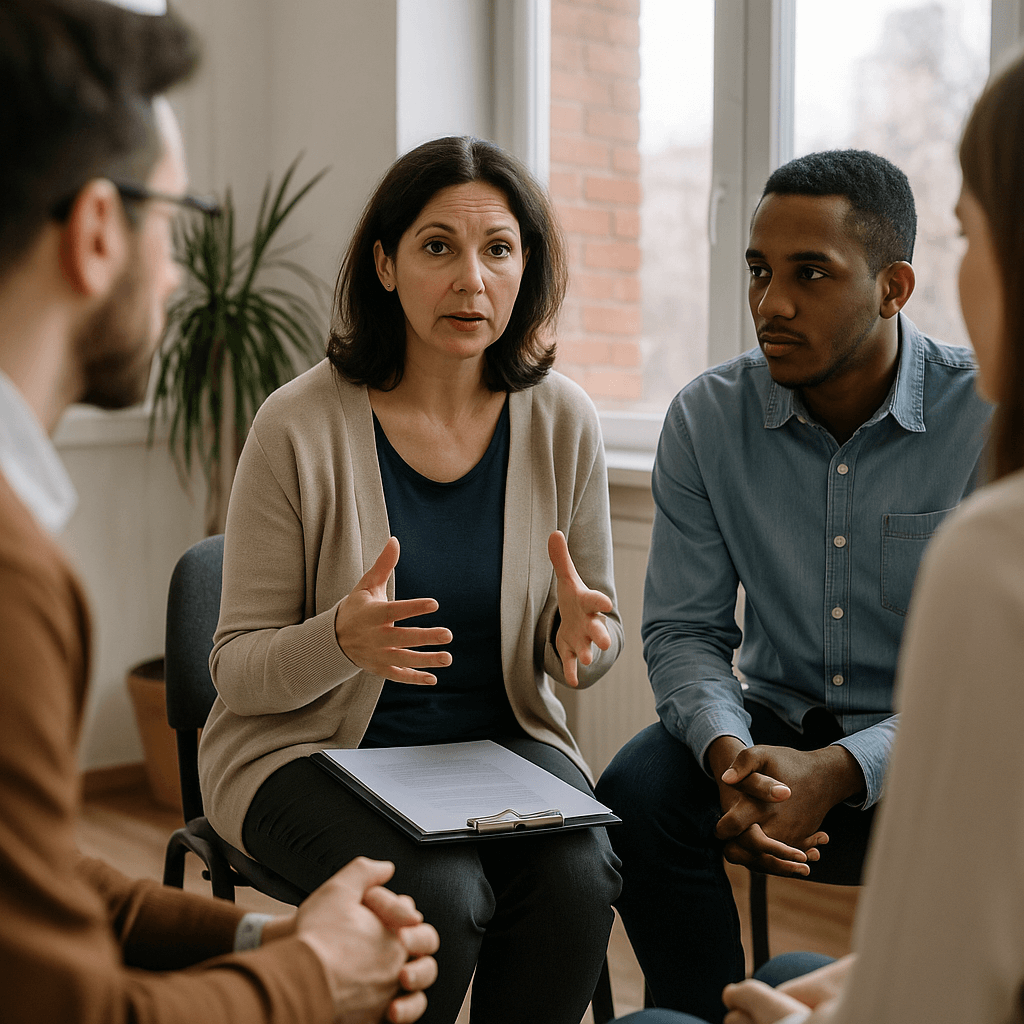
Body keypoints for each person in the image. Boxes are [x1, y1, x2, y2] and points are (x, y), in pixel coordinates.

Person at [0, 1, 439, 1021]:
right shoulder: (13, 574)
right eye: (178, 218)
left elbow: (31, 873)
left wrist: (264, 931)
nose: (175, 274)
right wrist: (315, 975)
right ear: (101, 230)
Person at [614, 42, 1024, 1024]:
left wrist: (839, 771)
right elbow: (682, 632)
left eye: (809, 273)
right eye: (758, 271)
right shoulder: (705, 419)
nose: (769, 303)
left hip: (925, 754)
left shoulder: (990, 416)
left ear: (893, 287)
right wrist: (726, 751)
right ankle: (709, 1008)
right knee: (635, 787)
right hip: (767, 733)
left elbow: (988, 711)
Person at [197, 135, 625, 1024]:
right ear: (386, 265)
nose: (472, 279)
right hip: (309, 752)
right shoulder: (297, 424)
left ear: (526, 269)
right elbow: (235, 669)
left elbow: (584, 632)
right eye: (439, 247)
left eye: (498, 249)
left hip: (496, 748)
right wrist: (339, 641)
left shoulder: (562, 420)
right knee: (438, 888)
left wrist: (584, 639)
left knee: (580, 876)